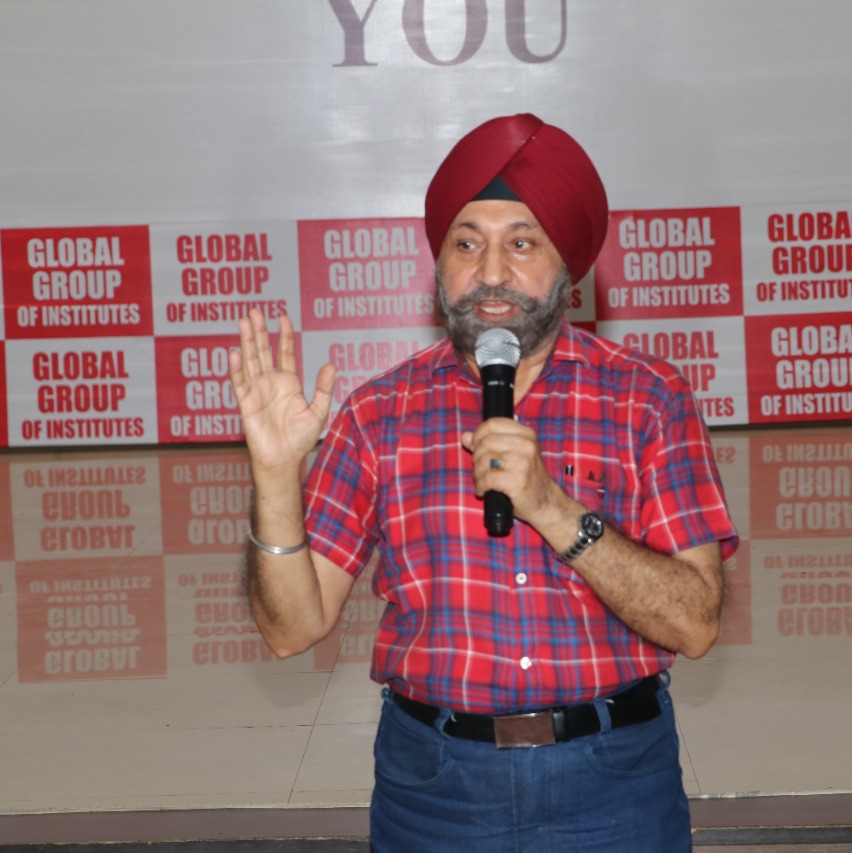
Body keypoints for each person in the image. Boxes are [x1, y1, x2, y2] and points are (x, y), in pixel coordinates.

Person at [232, 113, 739, 852]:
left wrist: (553, 508)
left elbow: (695, 623)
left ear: (568, 270)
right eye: (466, 243)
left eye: (521, 243)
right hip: (435, 792)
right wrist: (277, 478)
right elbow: (289, 631)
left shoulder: (648, 399)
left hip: (614, 784)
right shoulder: (380, 413)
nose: (492, 272)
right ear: (439, 264)